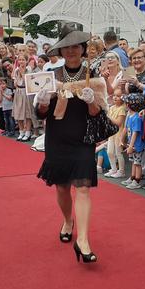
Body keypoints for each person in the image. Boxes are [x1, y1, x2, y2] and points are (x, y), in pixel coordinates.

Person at [35, 25, 107, 263]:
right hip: (58, 137)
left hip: (83, 138)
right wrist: (44, 101)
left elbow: (98, 114)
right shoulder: (51, 75)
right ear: (61, 49)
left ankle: (83, 240)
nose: (71, 50)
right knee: (62, 187)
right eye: (67, 46)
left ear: (83, 49)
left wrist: (90, 100)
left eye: (76, 45)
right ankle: (68, 220)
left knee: (83, 188)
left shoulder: (94, 76)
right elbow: (41, 113)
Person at [121, 93, 145, 189]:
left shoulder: (136, 118)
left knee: (137, 163)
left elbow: (135, 133)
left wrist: (131, 146)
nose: (125, 104)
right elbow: (126, 128)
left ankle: (137, 180)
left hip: (137, 145)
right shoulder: (130, 116)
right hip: (131, 144)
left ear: (129, 105)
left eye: (126, 103)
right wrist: (122, 140)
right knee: (133, 161)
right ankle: (132, 178)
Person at [103, 88, 126, 179]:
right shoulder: (111, 107)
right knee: (109, 152)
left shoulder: (122, 109)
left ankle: (121, 171)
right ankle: (113, 169)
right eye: (114, 96)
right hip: (111, 133)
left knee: (118, 153)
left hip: (119, 134)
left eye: (118, 96)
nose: (115, 98)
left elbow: (119, 123)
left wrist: (108, 117)